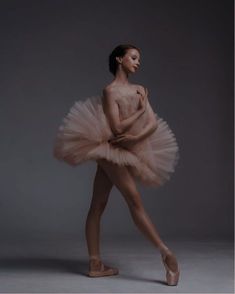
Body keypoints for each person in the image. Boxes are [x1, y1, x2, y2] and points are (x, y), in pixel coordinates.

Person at [53, 44, 180, 286]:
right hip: (110, 149)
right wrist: (140, 111)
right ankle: (166, 254)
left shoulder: (140, 89)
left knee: (98, 204)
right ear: (119, 59)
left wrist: (136, 137)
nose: (137, 62)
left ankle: (95, 264)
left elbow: (152, 123)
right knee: (134, 201)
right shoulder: (110, 91)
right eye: (133, 57)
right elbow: (117, 128)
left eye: (139, 59)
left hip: (127, 148)